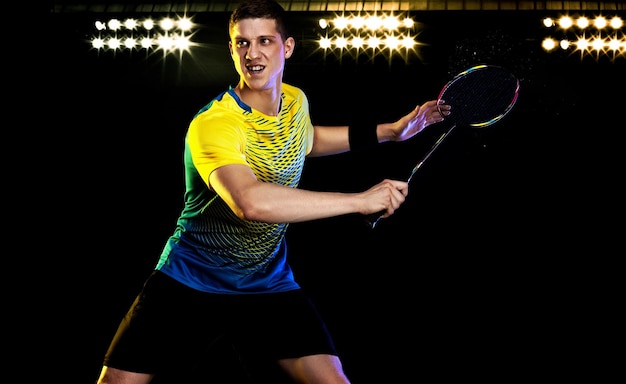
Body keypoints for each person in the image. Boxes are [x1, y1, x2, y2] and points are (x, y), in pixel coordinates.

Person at [96, 1, 450, 383]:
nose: (253, 53)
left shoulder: (296, 101)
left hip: (266, 282)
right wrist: (360, 201)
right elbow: (250, 202)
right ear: (232, 50)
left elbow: (305, 141)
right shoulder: (214, 124)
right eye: (242, 43)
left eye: (264, 40)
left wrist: (392, 132)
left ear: (288, 47)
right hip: (189, 279)